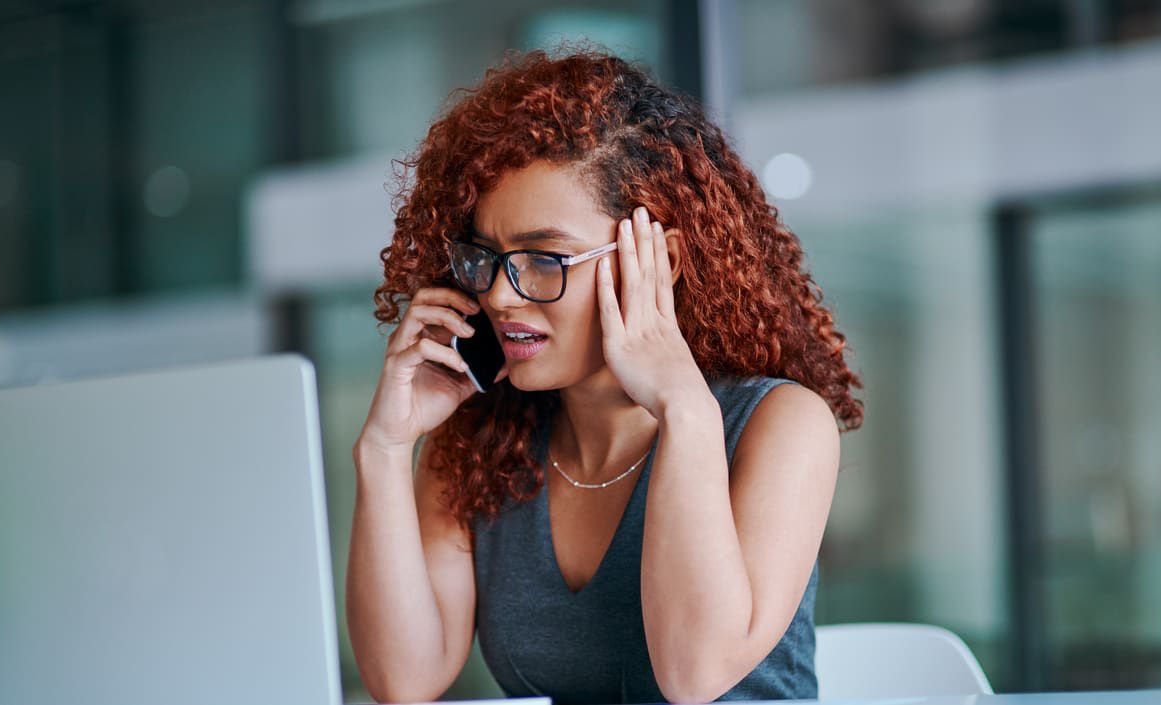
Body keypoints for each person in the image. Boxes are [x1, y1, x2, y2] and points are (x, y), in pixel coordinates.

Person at [346, 46, 864, 705]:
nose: (502, 296)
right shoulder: (483, 442)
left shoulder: (778, 423)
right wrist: (386, 448)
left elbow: (694, 672)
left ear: (659, 260)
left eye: (543, 257)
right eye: (489, 257)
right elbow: (404, 678)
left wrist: (684, 407)